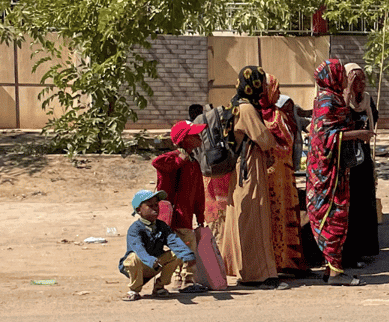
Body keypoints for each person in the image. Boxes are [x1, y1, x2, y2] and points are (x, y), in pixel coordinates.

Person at [219, 65, 286, 289]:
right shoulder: (247, 109)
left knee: (242, 218)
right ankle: (256, 275)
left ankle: (241, 268)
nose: (266, 88)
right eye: (262, 84)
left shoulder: (236, 103)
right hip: (249, 167)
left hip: (239, 168)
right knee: (253, 219)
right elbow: (264, 139)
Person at [307, 58, 371, 285]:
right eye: (342, 75)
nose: (346, 78)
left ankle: (331, 266)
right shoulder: (326, 101)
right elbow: (326, 136)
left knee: (339, 214)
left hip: (336, 169)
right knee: (333, 215)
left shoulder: (332, 98)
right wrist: (358, 135)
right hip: (327, 173)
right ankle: (335, 273)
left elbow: (341, 118)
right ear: (333, 77)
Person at [150, 121, 208, 294]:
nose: (199, 137)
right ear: (184, 139)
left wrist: (200, 215)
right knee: (187, 248)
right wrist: (178, 159)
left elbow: (199, 193)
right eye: (194, 135)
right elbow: (157, 163)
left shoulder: (193, 162)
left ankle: (178, 279)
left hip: (186, 214)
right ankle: (188, 281)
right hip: (175, 214)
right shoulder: (174, 159)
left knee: (182, 247)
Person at [260, 73, 307, 274]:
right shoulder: (261, 115)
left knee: (284, 216)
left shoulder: (273, 114)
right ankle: (276, 262)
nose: (278, 94)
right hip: (271, 175)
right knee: (272, 219)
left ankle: (286, 261)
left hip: (282, 176)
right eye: (275, 90)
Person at [119, 190, 195, 301]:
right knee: (132, 258)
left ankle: (159, 287)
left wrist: (187, 255)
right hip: (139, 266)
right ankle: (134, 290)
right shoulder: (135, 229)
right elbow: (139, 249)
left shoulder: (161, 226)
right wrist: (150, 261)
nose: (155, 208)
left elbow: (174, 241)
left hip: (156, 264)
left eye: (156, 205)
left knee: (176, 254)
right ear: (139, 210)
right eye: (150, 206)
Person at [342, 62, 380, 267]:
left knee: (365, 201)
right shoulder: (341, 100)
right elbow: (340, 119)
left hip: (362, 155)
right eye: (355, 79)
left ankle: (365, 248)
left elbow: (373, 120)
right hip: (347, 157)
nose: (361, 83)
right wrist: (347, 92)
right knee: (351, 203)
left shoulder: (367, 100)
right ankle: (350, 251)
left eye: (363, 79)